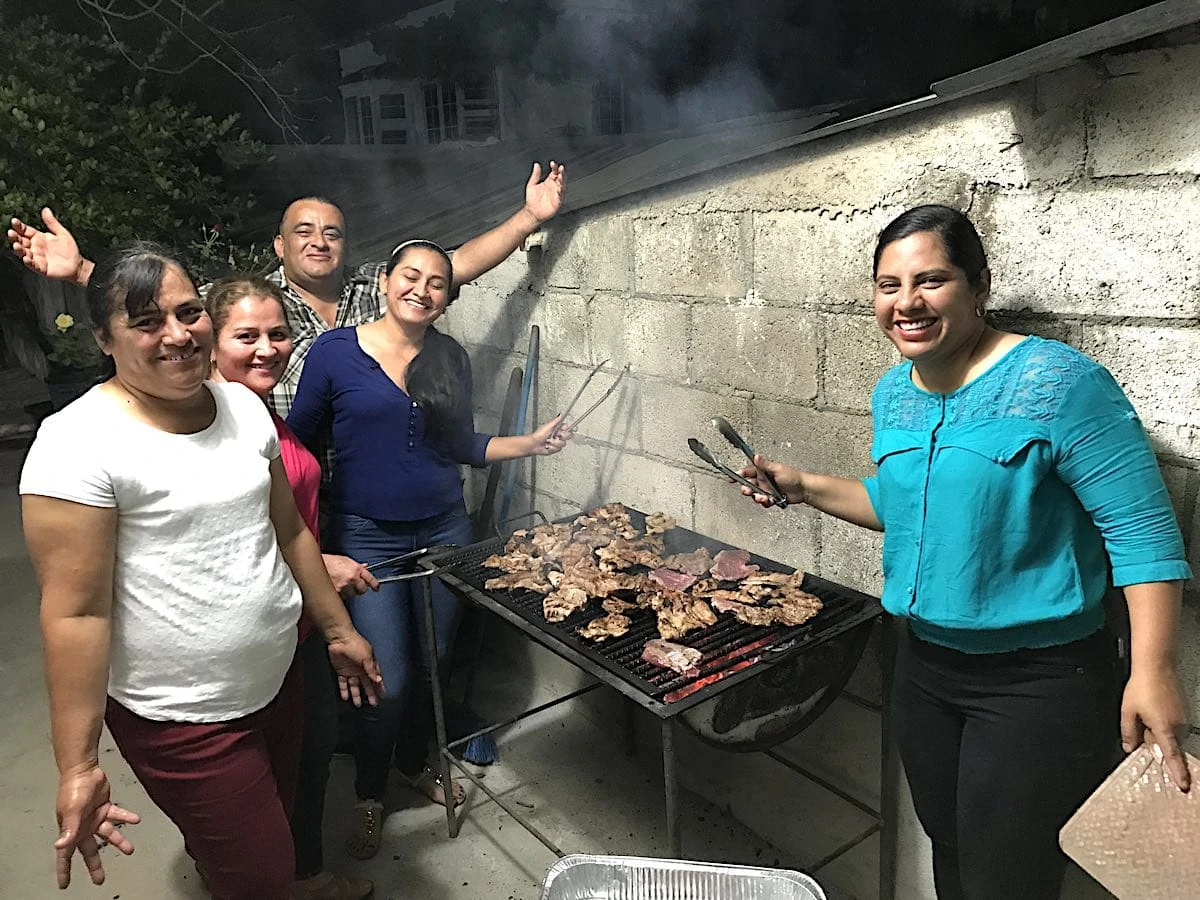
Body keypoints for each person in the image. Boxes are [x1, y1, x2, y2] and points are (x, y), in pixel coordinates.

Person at [735, 205, 1192, 900]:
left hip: (1037, 683)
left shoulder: (1063, 385)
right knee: (948, 848)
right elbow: (901, 506)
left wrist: (1154, 671)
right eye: (888, 286)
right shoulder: (896, 392)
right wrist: (804, 486)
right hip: (922, 667)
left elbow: (1144, 534)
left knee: (1007, 881)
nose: (906, 303)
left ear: (978, 285)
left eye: (931, 280)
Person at [20, 244, 382, 899]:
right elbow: (76, 614)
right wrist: (77, 765)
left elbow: (291, 529)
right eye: (147, 321)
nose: (178, 334)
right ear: (104, 337)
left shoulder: (243, 409)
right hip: (184, 719)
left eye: (188, 312)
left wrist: (336, 630)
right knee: (263, 871)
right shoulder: (76, 447)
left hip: (276, 682)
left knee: (267, 831)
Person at [286, 239, 574, 860]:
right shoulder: (335, 353)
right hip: (365, 536)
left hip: (445, 529)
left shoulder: (449, 357)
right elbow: (297, 445)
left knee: (433, 663)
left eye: (437, 282)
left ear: (447, 298)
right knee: (380, 675)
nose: (421, 288)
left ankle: (415, 761)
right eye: (410, 276)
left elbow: (460, 444)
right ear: (385, 282)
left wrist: (529, 443)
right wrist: (302, 535)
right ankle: (369, 791)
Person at [8, 162, 567, 417]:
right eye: (304, 232)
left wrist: (528, 216)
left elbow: (455, 264)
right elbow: (160, 310)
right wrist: (82, 268)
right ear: (279, 245)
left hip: (361, 472)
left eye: (332, 233)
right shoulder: (247, 301)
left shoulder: (376, 287)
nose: (319, 242)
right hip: (283, 464)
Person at [205, 275, 377, 899]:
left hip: (295, 618)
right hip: (260, 624)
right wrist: (319, 567)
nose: (267, 349)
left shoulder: (258, 408)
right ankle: (294, 880)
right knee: (286, 760)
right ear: (210, 341)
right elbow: (217, 544)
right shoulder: (212, 421)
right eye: (245, 336)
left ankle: (283, 868)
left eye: (277, 334)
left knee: (305, 750)